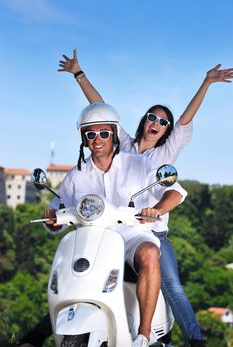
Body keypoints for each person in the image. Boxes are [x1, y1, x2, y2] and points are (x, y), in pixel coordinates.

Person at [19, 102, 187, 347]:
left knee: (151, 253)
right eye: (90, 134)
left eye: (104, 133)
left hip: (132, 236)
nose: (97, 140)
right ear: (83, 138)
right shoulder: (76, 176)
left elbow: (176, 193)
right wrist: (53, 221)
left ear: (114, 134)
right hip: (94, 240)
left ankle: (143, 335)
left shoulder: (137, 164)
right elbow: (59, 211)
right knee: (71, 275)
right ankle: (40, 334)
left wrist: (157, 209)